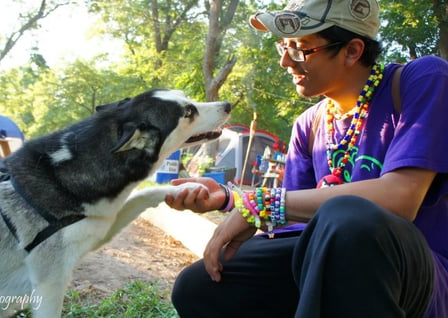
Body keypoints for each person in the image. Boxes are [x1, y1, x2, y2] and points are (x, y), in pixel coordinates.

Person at [164, 0, 448, 317]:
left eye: (300, 49)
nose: (286, 62)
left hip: (419, 278)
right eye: (282, 48)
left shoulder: (423, 80)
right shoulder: (309, 124)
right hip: (329, 259)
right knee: (198, 287)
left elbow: (401, 196)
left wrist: (263, 203)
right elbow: (298, 222)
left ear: (352, 51)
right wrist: (231, 200)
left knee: (348, 218)